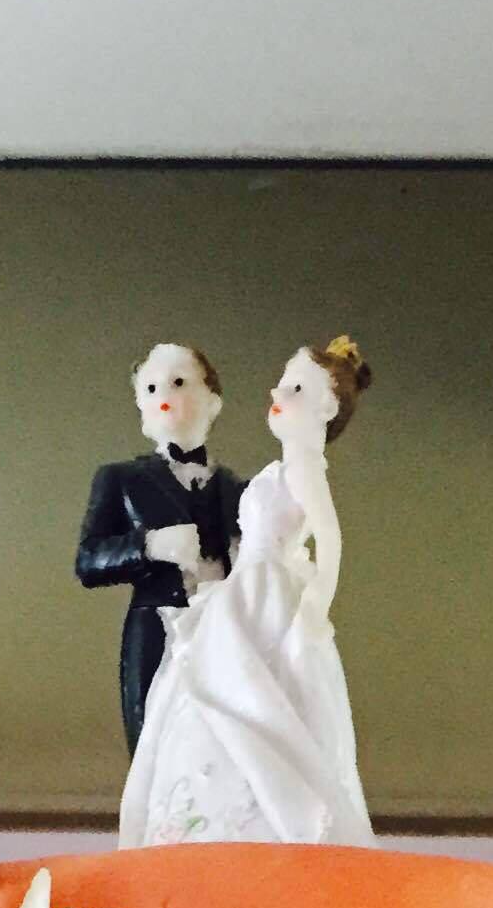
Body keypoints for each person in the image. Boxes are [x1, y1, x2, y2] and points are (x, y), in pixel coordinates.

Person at [118, 336, 376, 850]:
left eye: (296, 388)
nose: (277, 392)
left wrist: (315, 606)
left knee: (251, 694)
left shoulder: (304, 468)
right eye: (282, 383)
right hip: (244, 590)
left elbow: (330, 539)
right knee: (213, 686)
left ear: (326, 408)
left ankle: (265, 823)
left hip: (267, 593)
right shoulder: (276, 470)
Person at [74, 343, 246, 751]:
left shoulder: (235, 488)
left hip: (224, 629)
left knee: (228, 738)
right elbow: (88, 559)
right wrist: (149, 545)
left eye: (179, 383)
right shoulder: (122, 479)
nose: (163, 396)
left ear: (212, 401)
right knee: (156, 738)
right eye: (150, 388)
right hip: (160, 628)